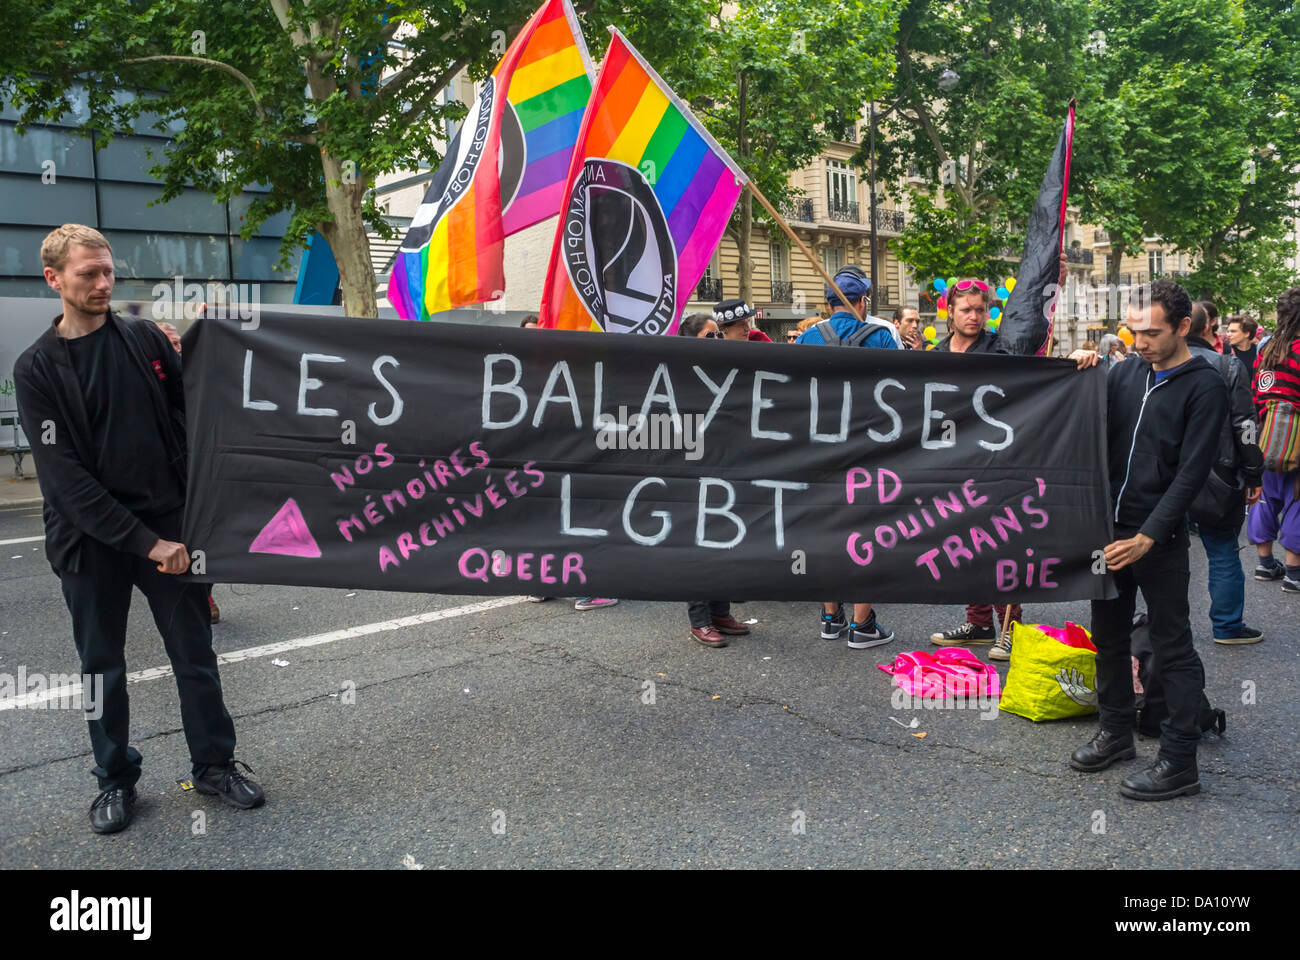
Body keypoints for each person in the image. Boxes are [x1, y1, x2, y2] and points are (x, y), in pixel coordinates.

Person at [13, 224, 264, 834]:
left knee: (195, 656)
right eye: (87, 275)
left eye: (108, 272)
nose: (104, 284)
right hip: (95, 544)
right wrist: (149, 544)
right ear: (54, 280)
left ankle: (214, 765)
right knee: (101, 668)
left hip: (169, 530)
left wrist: (212, 342)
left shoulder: (145, 338)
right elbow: (66, 483)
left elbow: (196, 406)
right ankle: (115, 780)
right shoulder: (37, 370)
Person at [1069, 279, 1227, 801]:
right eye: (1134, 331)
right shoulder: (1126, 372)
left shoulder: (1205, 384)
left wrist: (1149, 537)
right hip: (1108, 533)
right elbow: (1084, 417)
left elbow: (1191, 473)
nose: (1140, 343)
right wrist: (1079, 368)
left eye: (1152, 333)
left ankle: (1180, 761)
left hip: (1159, 539)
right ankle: (1115, 733)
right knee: (1108, 640)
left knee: (1171, 645)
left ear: (1185, 327)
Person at [796, 266, 896, 648]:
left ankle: (829, 617)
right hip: (868, 449)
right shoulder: (882, 337)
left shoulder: (806, 339)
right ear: (862, 301)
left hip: (819, 450)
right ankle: (862, 624)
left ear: (828, 302)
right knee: (865, 534)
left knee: (826, 532)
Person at [518, 314, 618, 611]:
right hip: (541, 461)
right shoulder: (530, 374)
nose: (536, 339)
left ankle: (549, 585)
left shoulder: (546, 373)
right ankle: (580, 593)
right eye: (530, 334)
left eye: (541, 332)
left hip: (556, 458)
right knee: (557, 522)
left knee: (559, 522)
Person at [1185, 303, 1264, 642]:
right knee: (1221, 549)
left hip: (1163, 475)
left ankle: (1165, 628)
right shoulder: (1226, 364)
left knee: (1162, 553)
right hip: (1217, 474)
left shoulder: (1152, 363)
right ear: (1209, 327)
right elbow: (1244, 424)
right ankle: (1228, 625)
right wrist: (1253, 473)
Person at [675, 314, 753, 646]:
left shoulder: (726, 369)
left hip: (725, 467)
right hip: (694, 471)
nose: (718, 341)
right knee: (698, 545)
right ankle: (700, 620)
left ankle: (721, 611)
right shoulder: (680, 375)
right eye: (710, 336)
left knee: (725, 542)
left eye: (720, 335)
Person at [156, 318, 222, 625]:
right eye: (168, 344)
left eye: (178, 343)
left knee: (203, 541)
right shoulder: (149, 389)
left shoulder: (197, 380)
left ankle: (203, 593)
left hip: (201, 480)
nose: (176, 349)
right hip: (166, 487)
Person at [1248, 287, 1300, 593]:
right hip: (1297, 440)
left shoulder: (1266, 350)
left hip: (1266, 436)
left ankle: (1265, 564)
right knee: (1297, 500)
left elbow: (1256, 394)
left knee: (1266, 498)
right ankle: (1294, 570)